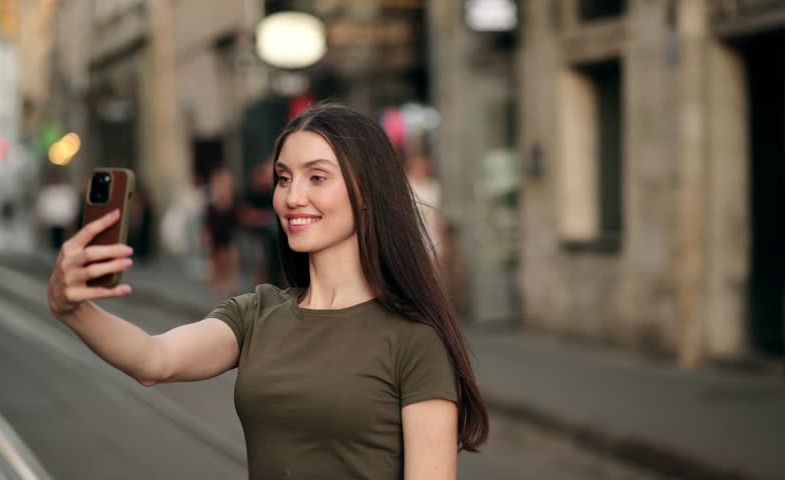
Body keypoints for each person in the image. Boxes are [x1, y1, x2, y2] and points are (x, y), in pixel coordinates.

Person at [46, 103, 488, 479]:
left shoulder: (413, 339)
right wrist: (71, 308)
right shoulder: (257, 313)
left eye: (317, 178)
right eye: (283, 178)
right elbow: (153, 360)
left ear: (366, 192)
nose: (292, 197)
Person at [202, 168, 239, 296]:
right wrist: (206, 236)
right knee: (217, 264)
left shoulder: (232, 203)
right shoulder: (211, 206)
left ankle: (228, 288)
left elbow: (237, 221)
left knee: (229, 262)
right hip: (216, 238)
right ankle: (218, 289)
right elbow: (207, 224)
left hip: (229, 238)